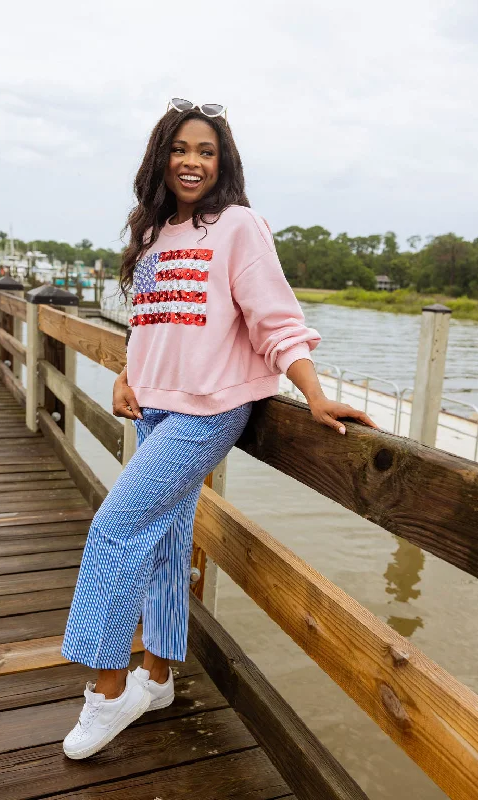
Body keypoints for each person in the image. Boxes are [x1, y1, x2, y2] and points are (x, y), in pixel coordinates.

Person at [61, 98, 376, 760]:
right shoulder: (151, 233)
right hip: (156, 406)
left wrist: (313, 392)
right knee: (166, 542)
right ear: (161, 158)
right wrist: (128, 375)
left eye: (206, 151)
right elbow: (151, 320)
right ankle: (158, 676)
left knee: (114, 530)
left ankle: (109, 686)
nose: (192, 161)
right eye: (180, 149)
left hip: (209, 411)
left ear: (223, 162)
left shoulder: (237, 227)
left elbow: (273, 318)